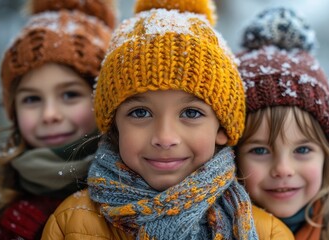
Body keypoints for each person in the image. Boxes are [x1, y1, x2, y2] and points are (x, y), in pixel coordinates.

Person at [42, 0, 294, 239]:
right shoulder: (70, 223)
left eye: (191, 113)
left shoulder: (268, 233)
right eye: (140, 112)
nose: (165, 138)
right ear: (114, 125)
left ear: (223, 128)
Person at [0, 0, 115, 239]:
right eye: (32, 99)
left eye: (70, 94)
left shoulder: (135, 204)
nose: (49, 115)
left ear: (104, 100)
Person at [234, 8, 329, 240]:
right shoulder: (213, 230)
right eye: (259, 150)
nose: (283, 169)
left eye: (303, 149)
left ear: (327, 155)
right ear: (232, 156)